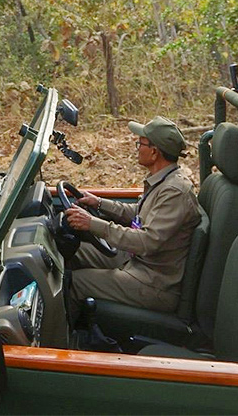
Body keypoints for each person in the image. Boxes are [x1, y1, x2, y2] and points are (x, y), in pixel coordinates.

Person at [65, 116, 201, 322]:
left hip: (154, 283)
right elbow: (138, 212)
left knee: (75, 283)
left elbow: (146, 242)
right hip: (137, 262)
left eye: (141, 144)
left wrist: (92, 224)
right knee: (71, 250)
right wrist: (98, 203)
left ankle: (57, 348)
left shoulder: (175, 191)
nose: (137, 148)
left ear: (154, 152)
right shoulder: (163, 181)